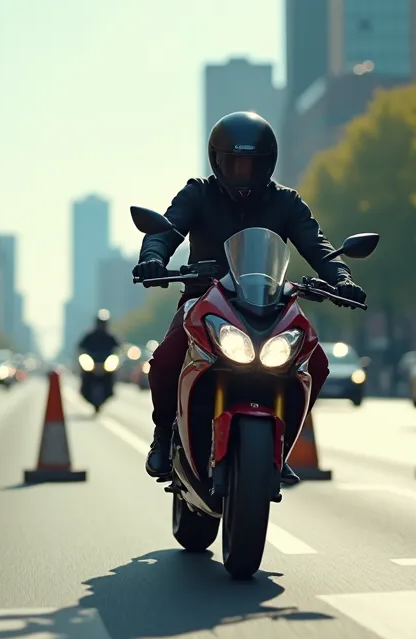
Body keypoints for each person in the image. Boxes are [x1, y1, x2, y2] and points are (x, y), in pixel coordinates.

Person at [132, 111, 368, 484]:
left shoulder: (286, 202)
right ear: (217, 161)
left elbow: (317, 245)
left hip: (269, 305)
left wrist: (341, 277)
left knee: (317, 364)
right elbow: (167, 228)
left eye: (250, 164)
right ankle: (163, 435)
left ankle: (282, 443)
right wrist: (152, 258)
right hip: (205, 301)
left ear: (267, 164)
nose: (241, 171)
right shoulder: (198, 192)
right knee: (163, 361)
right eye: (233, 162)